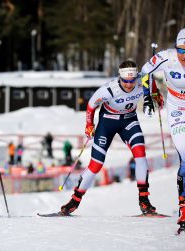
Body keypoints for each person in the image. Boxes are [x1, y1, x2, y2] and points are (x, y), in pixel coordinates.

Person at [59, 60, 158, 216]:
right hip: (107, 123)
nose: (129, 84)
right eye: (125, 81)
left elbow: (151, 84)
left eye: (132, 80)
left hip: (129, 121)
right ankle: (74, 201)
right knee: (96, 164)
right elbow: (91, 104)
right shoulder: (108, 90)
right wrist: (89, 124)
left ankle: (144, 201)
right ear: (120, 77)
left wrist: (156, 95)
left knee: (140, 155)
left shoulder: (142, 81)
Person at [141, 28, 185, 233]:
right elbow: (144, 71)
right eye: (181, 50)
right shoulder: (166, 58)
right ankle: (183, 208)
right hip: (177, 111)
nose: (184, 56)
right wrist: (149, 94)